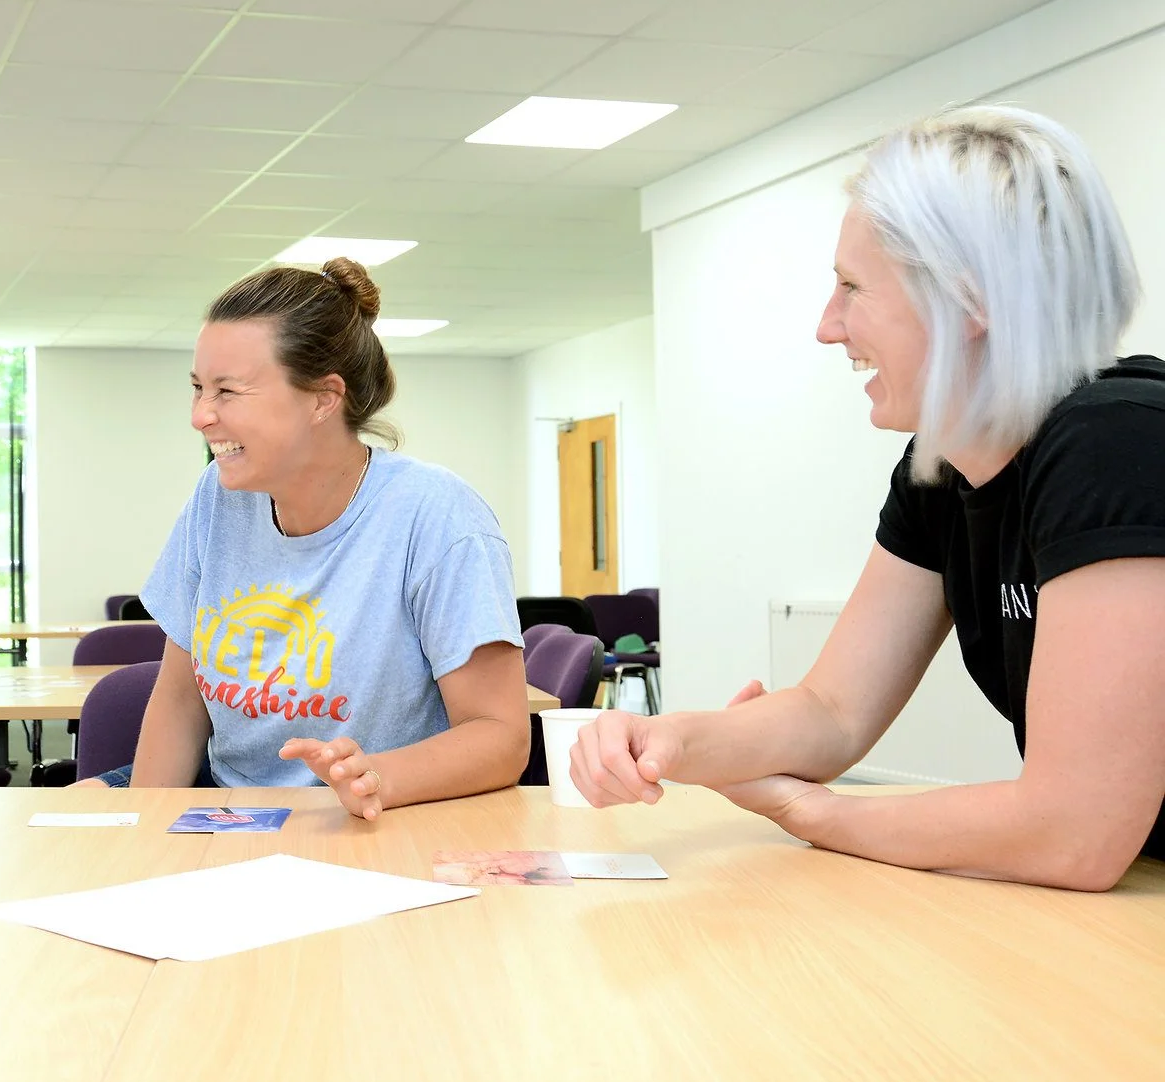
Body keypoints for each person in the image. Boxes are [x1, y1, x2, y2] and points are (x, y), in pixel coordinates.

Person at [571, 106, 1165, 891]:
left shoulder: (1117, 441)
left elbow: (1073, 831)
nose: (827, 326)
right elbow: (833, 710)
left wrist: (817, 814)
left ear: (971, 300)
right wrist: (672, 739)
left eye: (852, 287)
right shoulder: (943, 466)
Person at [77, 258, 529, 819]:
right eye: (197, 388)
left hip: (378, 807)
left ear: (322, 398)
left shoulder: (436, 516)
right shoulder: (216, 499)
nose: (200, 416)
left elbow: (500, 737)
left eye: (228, 391)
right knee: (51, 837)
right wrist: (146, 827)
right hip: (228, 798)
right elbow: (180, 696)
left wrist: (376, 777)